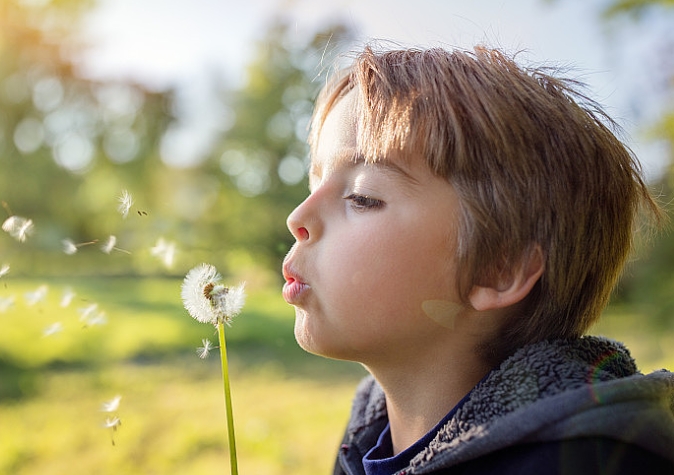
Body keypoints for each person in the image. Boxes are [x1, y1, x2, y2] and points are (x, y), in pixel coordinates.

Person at [281, 45, 674, 475]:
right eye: (314, 181)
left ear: (498, 269)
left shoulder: (587, 463)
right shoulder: (366, 437)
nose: (297, 217)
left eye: (362, 196)